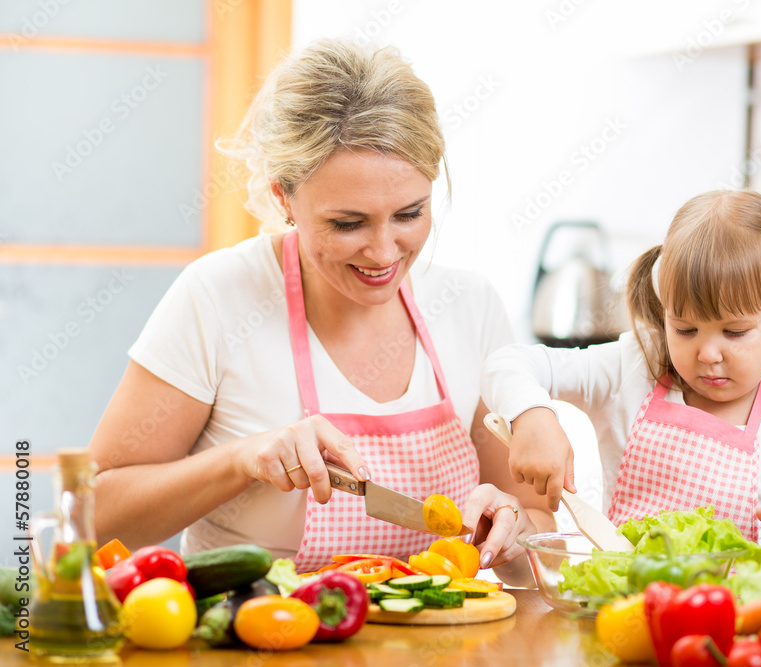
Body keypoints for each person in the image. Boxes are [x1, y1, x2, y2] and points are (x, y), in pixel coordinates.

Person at [89, 39, 550, 584]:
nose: (383, 253)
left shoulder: (471, 306)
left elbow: (534, 524)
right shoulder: (217, 297)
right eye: (347, 224)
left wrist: (513, 529)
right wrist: (242, 459)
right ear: (285, 197)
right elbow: (95, 516)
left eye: (409, 213)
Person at [481, 189, 761, 584]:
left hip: (733, 633)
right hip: (623, 617)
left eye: (735, 332)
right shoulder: (634, 366)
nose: (708, 353)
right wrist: (531, 415)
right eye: (685, 329)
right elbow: (507, 363)